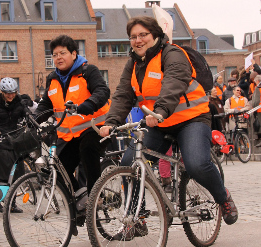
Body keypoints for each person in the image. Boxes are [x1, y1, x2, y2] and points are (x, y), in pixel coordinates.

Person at [99, 16, 238, 239]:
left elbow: (174, 81)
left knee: (197, 164)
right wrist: (111, 122)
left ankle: (223, 197)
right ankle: (138, 220)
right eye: (133, 37)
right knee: (129, 164)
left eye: (143, 34)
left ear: (155, 35)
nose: (138, 40)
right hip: (159, 122)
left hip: (191, 119)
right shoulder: (133, 63)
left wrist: (161, 110)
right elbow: (123, 94)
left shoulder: (172, 54)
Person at [34, 34, 111, 196]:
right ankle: (79, 199)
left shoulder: (88, 71)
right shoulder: (52, 78)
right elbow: (46, 104)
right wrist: (34, 118)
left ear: (74, 54)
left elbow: (102, 91)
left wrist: (89, 104)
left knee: (88, 150)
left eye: (62, 53)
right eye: (54, 55)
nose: (58, 58)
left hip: (96, 128)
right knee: (58, 168)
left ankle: (95, 199)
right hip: (70, 136)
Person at [0, 77, 32, 213]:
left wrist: (31, 120)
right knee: (3, 175)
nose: (10, 95)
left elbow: (27, 115)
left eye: (13, 92)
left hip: (15, 141)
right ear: (2, 92)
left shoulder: (19, 102)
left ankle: (12, 203)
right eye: (7, 93)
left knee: (17, 174)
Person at [251, 75, 261, 147]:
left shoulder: (258, 88)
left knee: (259, 125)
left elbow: (256, 101)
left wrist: (254, 108)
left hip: (259, 109)